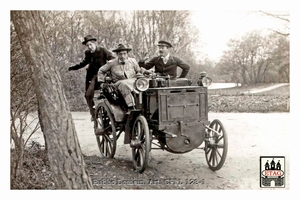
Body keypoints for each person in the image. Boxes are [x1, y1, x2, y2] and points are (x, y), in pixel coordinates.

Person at [68, 35, 115, 121]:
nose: (89, 47)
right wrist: (73, 67)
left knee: (103, 94)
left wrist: (108, 68)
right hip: (91, 76)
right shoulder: (88, 53)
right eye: (87, 45)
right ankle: (93, 113)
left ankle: (108, 111)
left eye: (91, 45)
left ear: (95, 43)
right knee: (87, 95)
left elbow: (113, 59)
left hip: (102, 75)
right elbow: (84, 62)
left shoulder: (102, 50)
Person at [97, 44, 145, 113]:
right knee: (124, 84)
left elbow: (138, 71)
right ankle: (130, 107)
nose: (123, 56)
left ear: (127, 54)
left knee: (145, 83)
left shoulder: (133, 61)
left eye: (124, 54)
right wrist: (101, 82)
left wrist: (145, 73)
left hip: (133, 82)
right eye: (120, 54)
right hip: (118, 84)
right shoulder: (112, 63)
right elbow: (101, 70)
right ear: (117, 55)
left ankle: (144, 106)